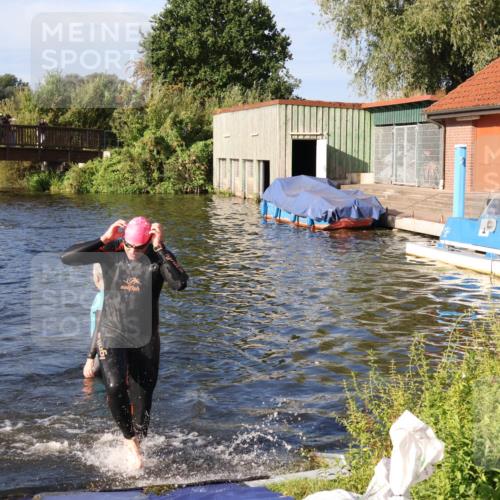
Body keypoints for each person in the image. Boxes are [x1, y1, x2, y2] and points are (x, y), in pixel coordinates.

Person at [61, 217, 188, 469]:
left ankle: (137, 441)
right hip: (112, 331)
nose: (132, 251)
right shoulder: (112, 251)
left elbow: (179, 283)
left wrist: (161, 248)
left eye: (138, 247)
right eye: (128, 245)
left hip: (146, 337)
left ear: (149, 241)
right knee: (114, 384)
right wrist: (103, 239)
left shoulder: (157, 256)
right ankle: (129, 441)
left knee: (143, 400)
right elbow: (67, 258)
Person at [83, 263, 104, 379]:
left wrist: (90, 359)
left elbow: (99, 329)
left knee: (90, 379)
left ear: (96, 277)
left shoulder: (101, 298)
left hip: (102, 350)